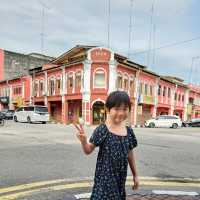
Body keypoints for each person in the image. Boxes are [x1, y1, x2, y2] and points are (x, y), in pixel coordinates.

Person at [73, 91, 139, 200]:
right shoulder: (103, 130)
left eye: (125, 109)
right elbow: (88, 150)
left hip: (120, 180)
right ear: (108, 110)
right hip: (104, 181)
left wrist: (135, 175)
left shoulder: (129, 132)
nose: (121, 113)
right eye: (117, 109)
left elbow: (130, 154)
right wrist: (84, 141)